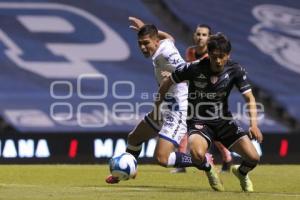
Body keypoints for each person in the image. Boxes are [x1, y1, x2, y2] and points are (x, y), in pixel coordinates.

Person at [106, 17, 224, 192]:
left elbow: (188, 70)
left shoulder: (166, 54)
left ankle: (204, 163)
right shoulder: (163, 46)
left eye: (146, 43)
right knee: (134, 138)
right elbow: (170, 38)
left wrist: (173, 73)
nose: (143, 47)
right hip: (164, 107)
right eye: (140, 43)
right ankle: (127, 170)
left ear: (155, 41)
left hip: (178, 110)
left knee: (162, 158)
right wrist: (145, 28)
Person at [155, 33, 263, 192]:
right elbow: (168, 81)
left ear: (228, 55)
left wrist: (254, 125)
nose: (218, 61)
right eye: (214, 57)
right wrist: (158, 105)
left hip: (224, 121)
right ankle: (208, 168)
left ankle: (241, 173)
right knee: (197, 154)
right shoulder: (194, 67)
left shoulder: (235, 69)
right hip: (199, 121)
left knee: (254, 158)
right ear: (209, 54)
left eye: (222, 57)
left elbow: (250, 98)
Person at [172, 25, 232, 173]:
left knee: (213, 133)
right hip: (192, 96)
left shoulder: (212, 56)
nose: (200, 37)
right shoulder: (190, 52)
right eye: (198, 34)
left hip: (208, 99)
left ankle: (227, 157)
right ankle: (181, 163)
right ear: (194, 36)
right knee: (185, 127)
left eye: (204, 35)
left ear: (209, 38)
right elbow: (189, 73)